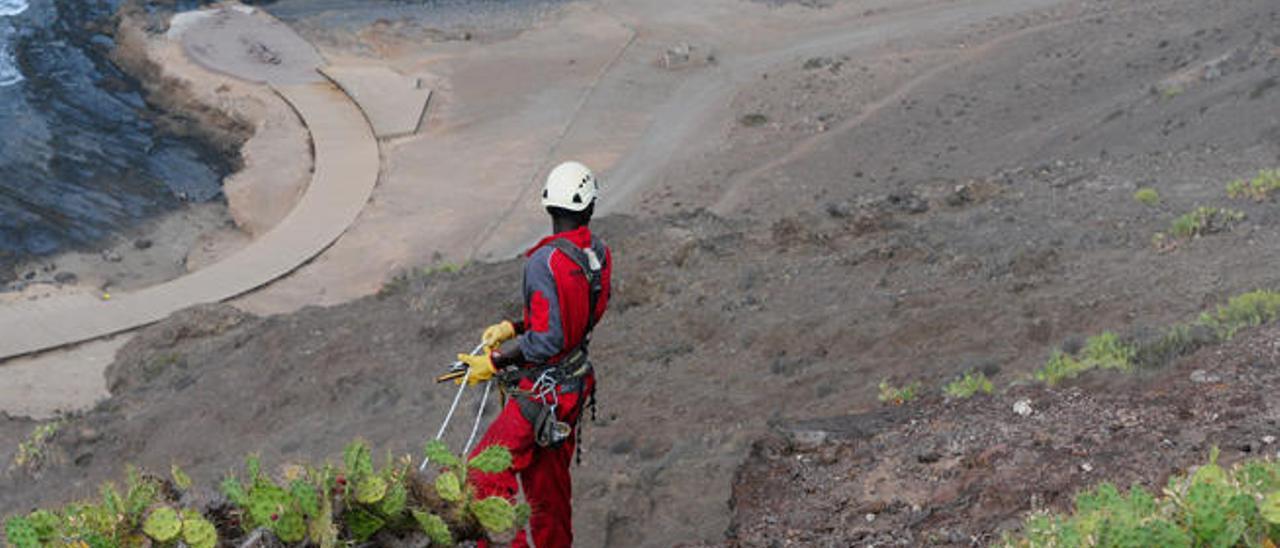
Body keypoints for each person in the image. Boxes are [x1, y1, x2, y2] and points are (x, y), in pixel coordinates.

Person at [455, 161, 613, 547]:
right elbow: (572, 317)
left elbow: (546, 341)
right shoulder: (597, 255)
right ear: (589, 207)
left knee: (481, 475)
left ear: (548, 206)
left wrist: (493, 362)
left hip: (543, 392)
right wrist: (516, 326)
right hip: (573, 386)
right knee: (549, 491)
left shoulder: (544, 262)